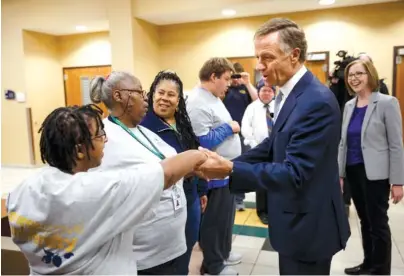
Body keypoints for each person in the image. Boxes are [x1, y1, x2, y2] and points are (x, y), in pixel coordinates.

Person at [195, 18, 351, 275]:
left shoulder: (316, 101)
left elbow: (295, 173)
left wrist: (231, 169)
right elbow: (273, 143)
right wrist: (229, 163)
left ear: (294, 55)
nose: (259, 66)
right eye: (258, 57)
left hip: (309, 227)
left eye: (266, 57)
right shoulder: (291, 93)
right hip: (294, 221)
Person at [6, 104, 210, 275]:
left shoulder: (21, 191)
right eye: (99, 135)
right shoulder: (97, 192)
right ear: (79, 150)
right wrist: (200, 156)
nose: (106, 139)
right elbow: (165, 174)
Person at [90, 71, 190, 275]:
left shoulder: (140, 130)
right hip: (146, 258)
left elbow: (169, 163)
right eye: (139, 92)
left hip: (171, 248)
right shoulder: (106, 138)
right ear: (118, 96)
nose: (146, 98)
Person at [338, 59, 404, 275]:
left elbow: (396, 145)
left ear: (370, 75)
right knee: (364, 220)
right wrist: (340, 173)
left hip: (376, 174)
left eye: (359, 73)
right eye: (350, 75)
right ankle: (368, 263)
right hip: (354, 171)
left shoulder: (387, 102)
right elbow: (343, 142)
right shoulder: (349, 105)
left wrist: (398, 181)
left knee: (378, 223)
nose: (354, 78)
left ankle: (381, 269)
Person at [140, 70, 208, 275]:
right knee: (166, 260)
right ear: (152, 94)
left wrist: (202, 190)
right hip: (162, 204)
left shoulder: (183, 124)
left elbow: (195, 154)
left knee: (186, 250)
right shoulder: (143, 127)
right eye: (160, 93)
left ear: (178, 100)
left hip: (190, 198)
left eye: (171, 95)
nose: (164, 99)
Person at [187, 57, 242, 275]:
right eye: (226, 78)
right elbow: (202, 140)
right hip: (213, 174)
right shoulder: (197, 101)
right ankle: (213, 265)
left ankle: (223, 253)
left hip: (226, 171)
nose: (229, 83)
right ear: (213, 77)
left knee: (225, 219)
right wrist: (230, 128)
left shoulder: (213, 97)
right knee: (214, 221)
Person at [223, 62, 258, 211]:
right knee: (225, 166)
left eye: (238, 76)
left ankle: (239, 200)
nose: (236, 79)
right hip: (226, 134)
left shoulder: (246, 89)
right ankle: (226, 198)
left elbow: (258, 100)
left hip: (242, 135)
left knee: (240, 167)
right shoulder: (225, 90)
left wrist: (248, 83)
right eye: (233, 76)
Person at [241, 82, 276, 225]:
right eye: (263, 90)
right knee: (261, 179)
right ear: (259, 92)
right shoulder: (252, 107)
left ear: (273, 93)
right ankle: (263, 211)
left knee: (276, 178)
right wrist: (254, 145)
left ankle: (275, 208)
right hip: (258, 149)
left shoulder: (279, 105)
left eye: (269, 90)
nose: (266, 93)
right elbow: (245, 128)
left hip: (277, 148)